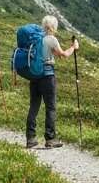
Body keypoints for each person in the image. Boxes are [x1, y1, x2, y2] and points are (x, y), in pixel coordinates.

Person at [27, 15, 77, 149]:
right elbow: (63, 55)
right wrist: (73, 47)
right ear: (54, 27)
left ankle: (30, 138)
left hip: (34, 75)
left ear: (43, 25)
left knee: (34, 106)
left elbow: (51, 53)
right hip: (47, 75)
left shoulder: (36, 38)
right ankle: (50, 139)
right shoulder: (51, 39)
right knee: (51, 107)